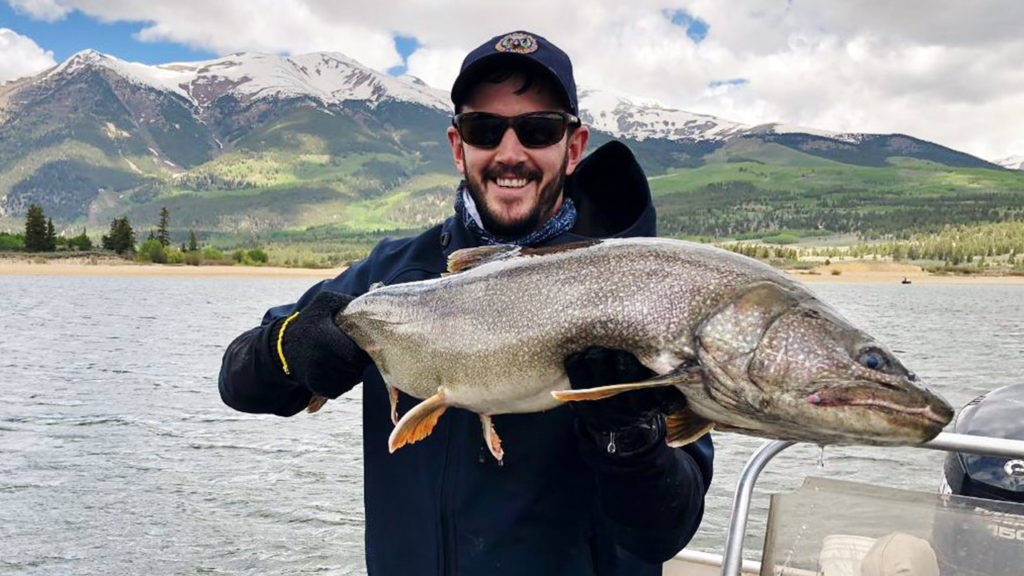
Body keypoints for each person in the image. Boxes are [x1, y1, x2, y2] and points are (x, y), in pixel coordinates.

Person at [219, 30, 713, 576]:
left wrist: (627, 437)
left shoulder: (648, 293)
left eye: (537, 129)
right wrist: (290, 348)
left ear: (573, 147)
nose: (510, 153)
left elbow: (666, 530)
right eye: (485, 129)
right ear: (459, 147)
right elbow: (239, 383)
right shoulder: (390, 275)